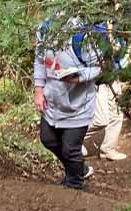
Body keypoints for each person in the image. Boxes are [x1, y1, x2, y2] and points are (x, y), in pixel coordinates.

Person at [33, 18, 108, 189]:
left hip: (79, 103)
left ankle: (75, 185)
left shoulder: (86, 31)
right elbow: (39, 59)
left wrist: (79, 77)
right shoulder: (45, 27)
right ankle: (79, 169)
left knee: (71, 149)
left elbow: (102, 66)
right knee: (48, 139)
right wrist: (39, 90)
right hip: (53, 100)